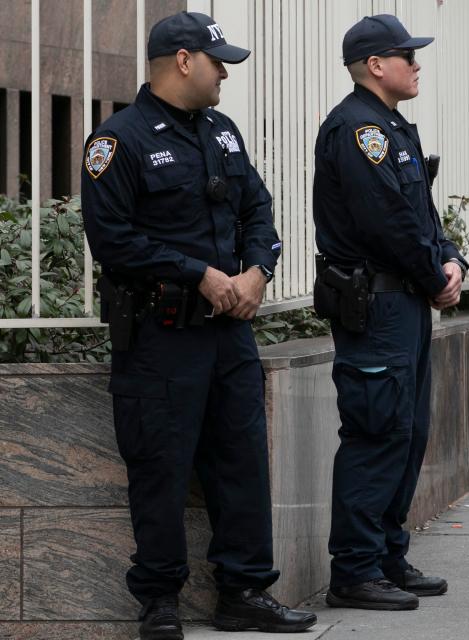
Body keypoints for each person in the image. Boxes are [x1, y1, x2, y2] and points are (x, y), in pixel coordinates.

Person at [80, 12, 316, 639]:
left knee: (241, 461)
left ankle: (243, 591)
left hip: (228, 332)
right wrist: (200, 274)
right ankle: (158, 602)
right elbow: (114, 240)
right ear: (183, 61)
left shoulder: (223, 131)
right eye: (219, 63)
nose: (225, 74)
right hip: (162, 336)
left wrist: (258, 271)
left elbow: (258, 209)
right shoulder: (117, 141)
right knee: (160, 466)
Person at [312, 14, 468, 611]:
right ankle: (354, 570)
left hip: (403, 301)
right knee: (377, 434)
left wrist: (448, 259)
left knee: (407, 433)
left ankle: (386, 555)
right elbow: (387, 221)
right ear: (377, 65)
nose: (417, 64)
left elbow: (420, 212)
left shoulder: (391, 128)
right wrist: (436, 277)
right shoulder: (357, 131)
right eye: (408, 55)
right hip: (377, 305)